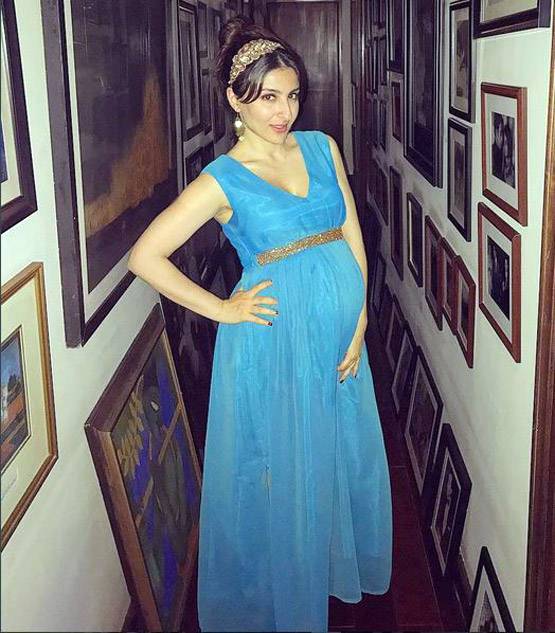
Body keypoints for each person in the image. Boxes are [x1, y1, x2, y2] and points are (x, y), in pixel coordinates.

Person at [128, 16, 392, 632]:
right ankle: (279, 595)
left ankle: (330, 567)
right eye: (268, 97)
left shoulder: (322, 147)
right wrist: (224, 308)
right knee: (281, 465)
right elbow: (145, 256)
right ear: (234, 99)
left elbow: (349, 229)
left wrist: (359, 318)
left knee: (337, 452)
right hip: (275, 341)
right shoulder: (221, 179)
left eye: (292, 95)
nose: (284, 112)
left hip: (339, 337)